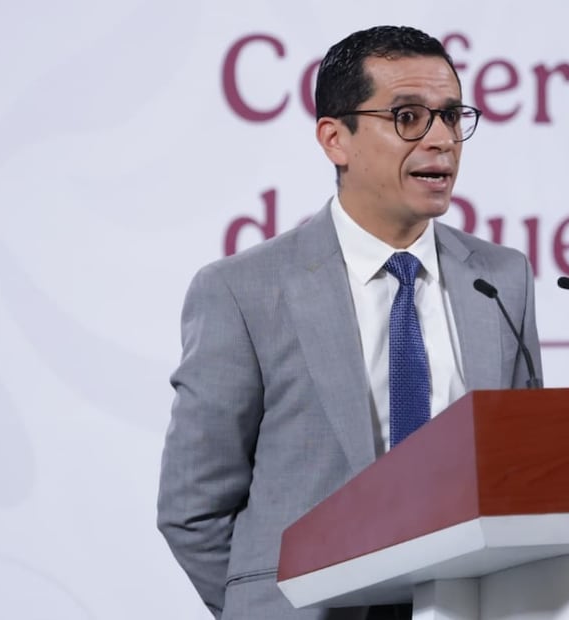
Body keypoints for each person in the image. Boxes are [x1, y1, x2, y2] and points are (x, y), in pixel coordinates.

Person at [157, 25, 542, 620]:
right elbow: (193, 507)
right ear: (335, 139)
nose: (441, 139)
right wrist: (267, 605)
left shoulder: (501, 278)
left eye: (450, 115)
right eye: (408, 117)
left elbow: (526, 475)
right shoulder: (242, 290)